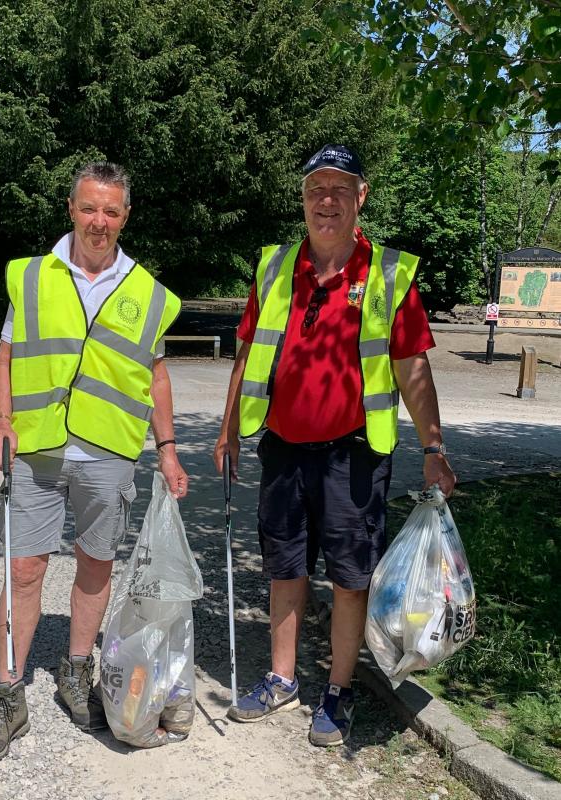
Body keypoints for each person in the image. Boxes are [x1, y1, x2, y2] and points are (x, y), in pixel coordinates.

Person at [213, 144, 456, 747]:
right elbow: (247, 351)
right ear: (302, 199)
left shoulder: (388, 274)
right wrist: (226, 429)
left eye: (340, 190)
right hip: (282, 448)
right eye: (316, 189)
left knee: (350, 577)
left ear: (361, 198)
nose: (327, 200)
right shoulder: (275, 268)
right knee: (285, 567)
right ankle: (282, 676)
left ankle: (340, 690)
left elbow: (412, 366)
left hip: (354, 455)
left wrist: (433, 445)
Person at [0, 161, 189, 763]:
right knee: (25, 570)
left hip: (108, 450)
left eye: (111, 211)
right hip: (36, 445)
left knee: (96, 564)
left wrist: (167, 450)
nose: (99, 221)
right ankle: (9, 695)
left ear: (124, 216)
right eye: (89, 208)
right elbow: (5, 360)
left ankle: (75, 670)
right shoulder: (32, 277)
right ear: (71, 208)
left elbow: (157, 377)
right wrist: (2, 422)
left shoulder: (147, 292)